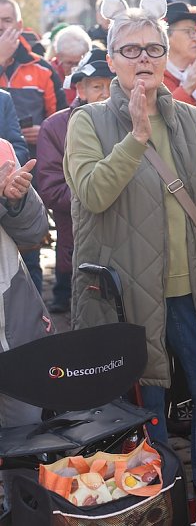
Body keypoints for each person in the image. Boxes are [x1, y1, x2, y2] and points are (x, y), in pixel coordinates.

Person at [62, 0, 196, 526]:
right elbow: (93, 194)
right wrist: (136, 138)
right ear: (111, 58)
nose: (143, 58)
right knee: (148, 400)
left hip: (195, 286)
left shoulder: (191, 118)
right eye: (131, 49)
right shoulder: (88, 122)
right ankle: (159, 488)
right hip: (129, 291)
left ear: (166, 56)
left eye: (154, 48)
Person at [37, 49, 114, 315]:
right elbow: (50, 187)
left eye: (111, 85)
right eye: (97, 86)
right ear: (80, 89)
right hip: (78, 232)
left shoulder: (132, 122)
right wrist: (95, 195)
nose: (105, 93)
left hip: (126, 239)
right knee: (82, 310)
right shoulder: (56, 127)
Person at [0, 0, 67, 295]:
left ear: (20, 24)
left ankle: (36, 321)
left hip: (29, 176)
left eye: (6, 21)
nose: (1, 28)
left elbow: (62, 119)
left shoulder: (42, 69)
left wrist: (44, 131)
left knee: (29, 255)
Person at [0, 139, 53, 505]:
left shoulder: (1, 150)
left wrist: (16, 200)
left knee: (24, 434)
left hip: (13, 322)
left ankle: (23, 504)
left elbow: (34, 235)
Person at [50, 25, 92, 104]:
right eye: (69, 63)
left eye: (78, 63)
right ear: (58, 57)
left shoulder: (95, 74)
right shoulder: (48, 76)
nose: (74, 68)